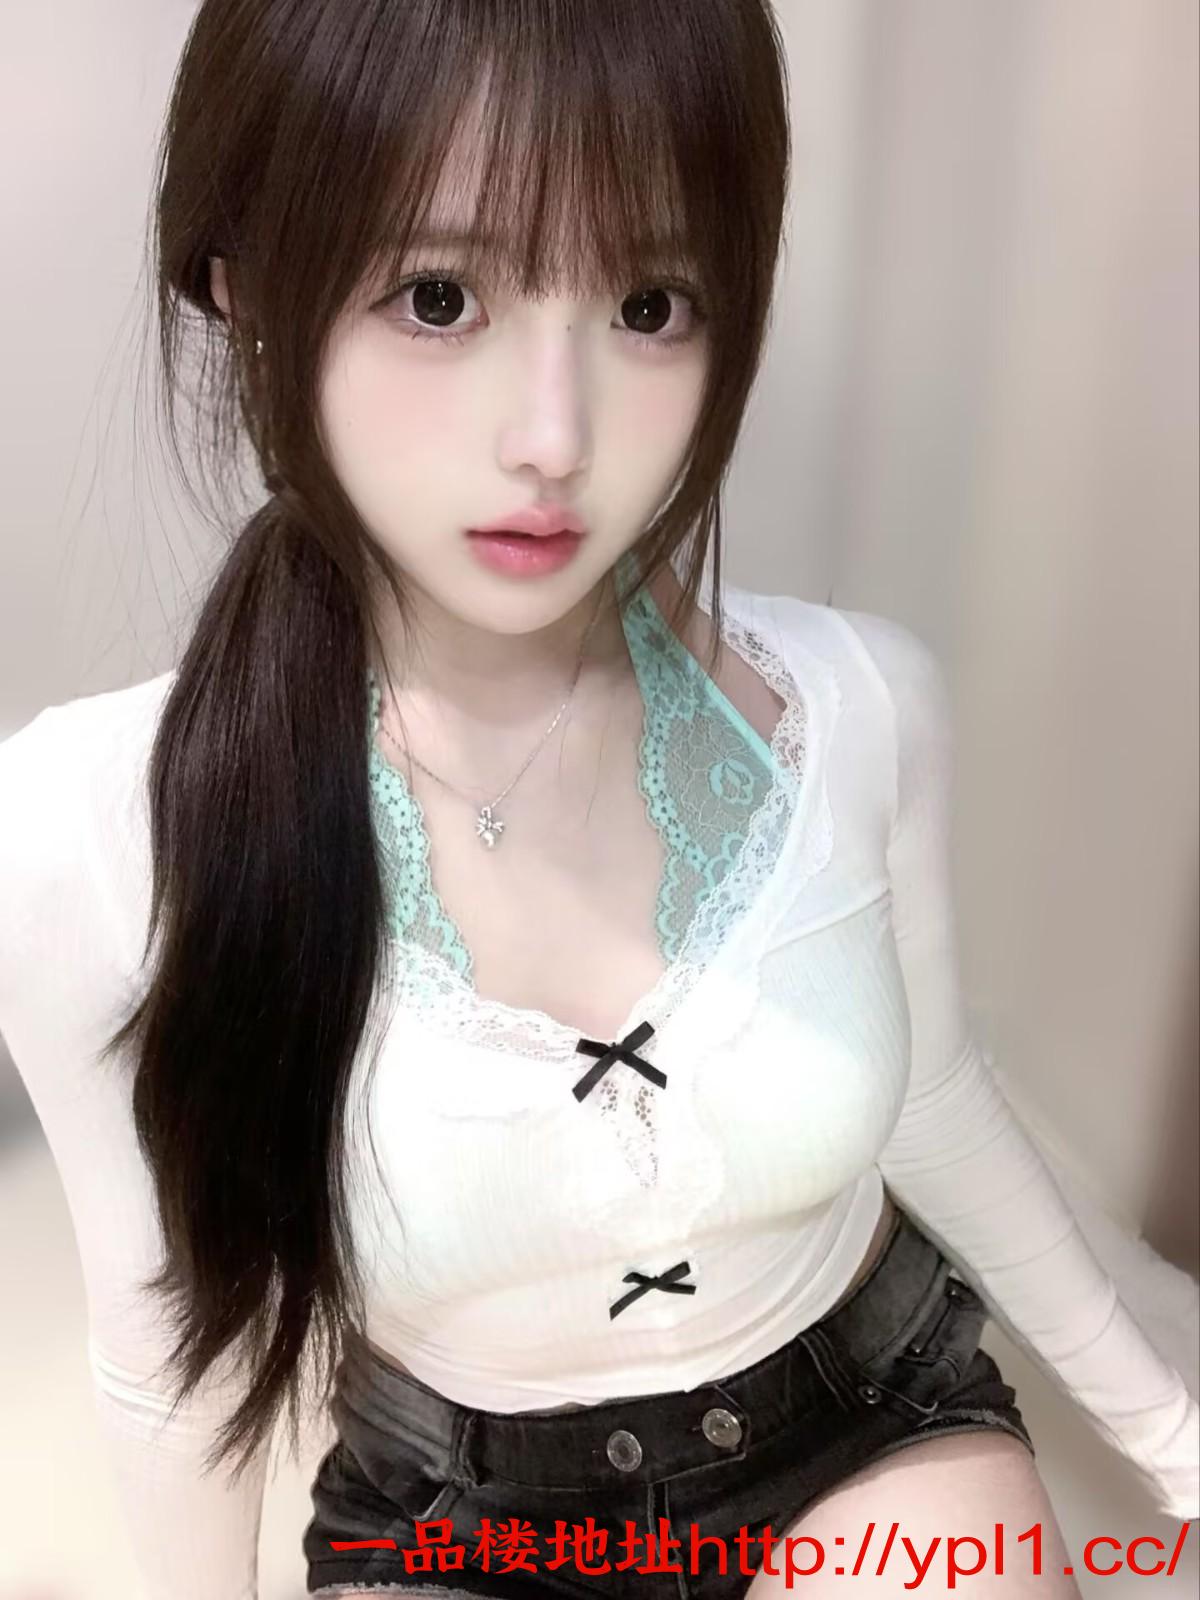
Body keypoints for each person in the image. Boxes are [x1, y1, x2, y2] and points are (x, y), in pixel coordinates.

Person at [1, 2, 1196, 1597]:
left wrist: (1174, 1428)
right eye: (440, 297)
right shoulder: (87, 834)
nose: (554, 440)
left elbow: (930, 1094)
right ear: (247, 289)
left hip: (857, 1428)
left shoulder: (851, 712)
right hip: (461, 1508)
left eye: (649, 304)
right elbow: (174, 1352)